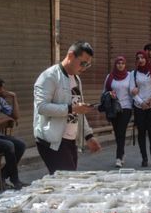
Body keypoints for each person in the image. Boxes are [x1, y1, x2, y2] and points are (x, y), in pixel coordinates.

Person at [33, 41, 101, 174]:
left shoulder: (76, 79)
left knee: (66, 184)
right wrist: (71, 109)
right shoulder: (49, 76)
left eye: (88, 65)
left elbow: (80, 111)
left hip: (70, 140)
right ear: (70, 56)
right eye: (83, 63)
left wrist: (88, 136)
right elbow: (42, 107)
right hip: (52, 141)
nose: (84, 68)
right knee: (68, 183)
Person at [130, 50, 151, 167]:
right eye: (138, 58)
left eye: (142, 57)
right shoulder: (133, 74)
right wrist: (141, 102)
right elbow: (132, 90)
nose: (140, 60)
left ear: (146, 58)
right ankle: (144, 157)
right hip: (139, 106)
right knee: (141, 131)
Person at [103, 56, 133, 168]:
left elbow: (132, 91)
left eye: (122, 63)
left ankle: (118, 157)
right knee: (117, 132)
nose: (120, 65)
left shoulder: (130, 76)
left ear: (125, 65)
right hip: (113, 108)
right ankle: (122, 153)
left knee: (121, 131)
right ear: (115, 65)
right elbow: (104, 92)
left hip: (126, 107)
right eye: (118, 63)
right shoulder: (109, 77)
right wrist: (109, 94)